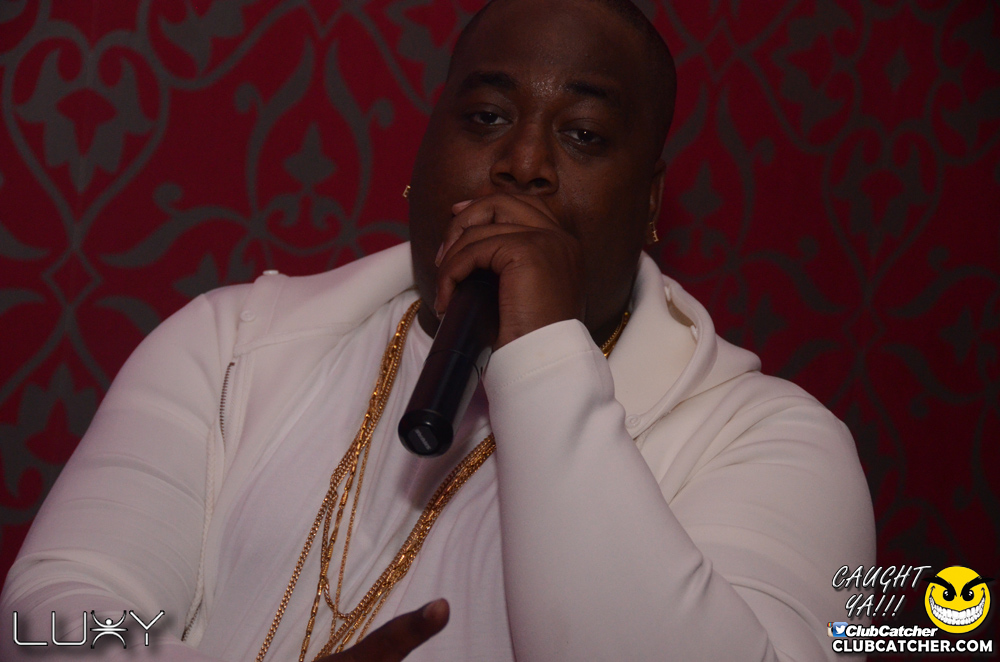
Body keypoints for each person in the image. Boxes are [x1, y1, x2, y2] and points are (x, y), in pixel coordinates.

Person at [0, 0, 875, 660]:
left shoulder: (776, 442)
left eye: (582, 134)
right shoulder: (232, 344)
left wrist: (540, 357)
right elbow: (45, 622)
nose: (524, 163)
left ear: (649, 203)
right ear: (422, 158)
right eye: (486, 118)